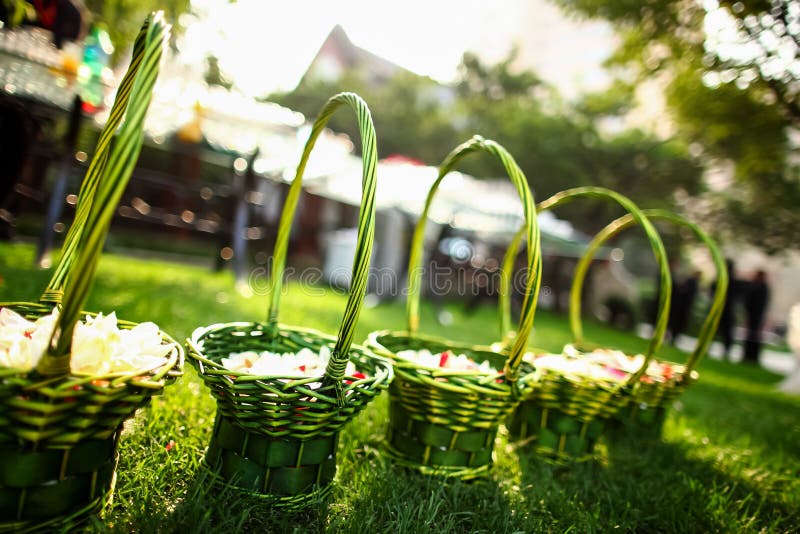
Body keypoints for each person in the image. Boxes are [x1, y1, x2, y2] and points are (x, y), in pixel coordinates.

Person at [742, 269, 770, 364]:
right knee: (750, 335)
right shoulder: (757, 286)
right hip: (753, 315)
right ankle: (748, 356)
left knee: (754, 336)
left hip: (757, 316)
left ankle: (752, 357)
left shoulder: (762, 287)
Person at [713, 259, 740, 360]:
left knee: (723, 330)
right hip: (724, 308)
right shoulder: (727, 280)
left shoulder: (723, 280)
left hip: (723, 308)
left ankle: (726, 350)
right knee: (723, 330)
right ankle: (726, 350)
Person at [668, 269, 701, 344]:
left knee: (679, 322)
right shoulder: (691, 282)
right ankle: (673, 336)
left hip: (685, 307)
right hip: (682, 306)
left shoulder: (693, 282)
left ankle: (674, 337)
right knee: (677, 322)